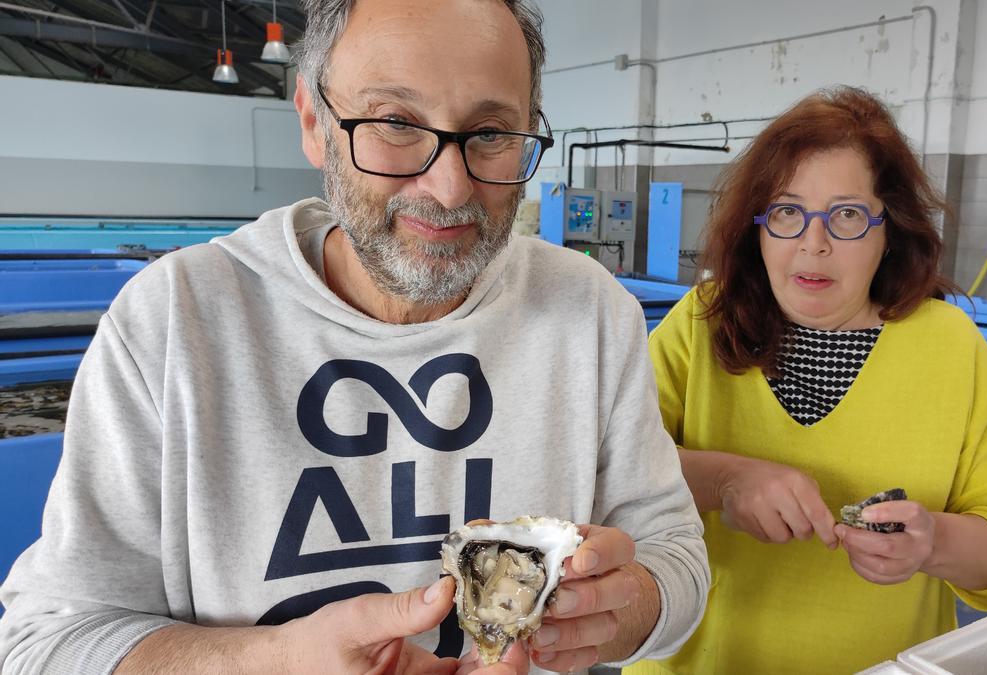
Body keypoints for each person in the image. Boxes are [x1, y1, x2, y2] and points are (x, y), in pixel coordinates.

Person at [0, 1, 710, 673]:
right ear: (313, 119)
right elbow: (47, 639)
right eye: (396, 121)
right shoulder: (174, 322)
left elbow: (675, 554)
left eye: (491, 133)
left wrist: (630, 604)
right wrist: (271, 661)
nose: (449, 187)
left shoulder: (590, 311)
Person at [625, 87, 987, 674]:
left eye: (847, 215)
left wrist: (933, 542)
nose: (813, 242)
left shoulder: (951, 347)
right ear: (758, 228)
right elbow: (609, 468)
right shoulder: (700, 323)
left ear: (888, 230)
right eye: (787, 212)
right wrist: (724, 481)